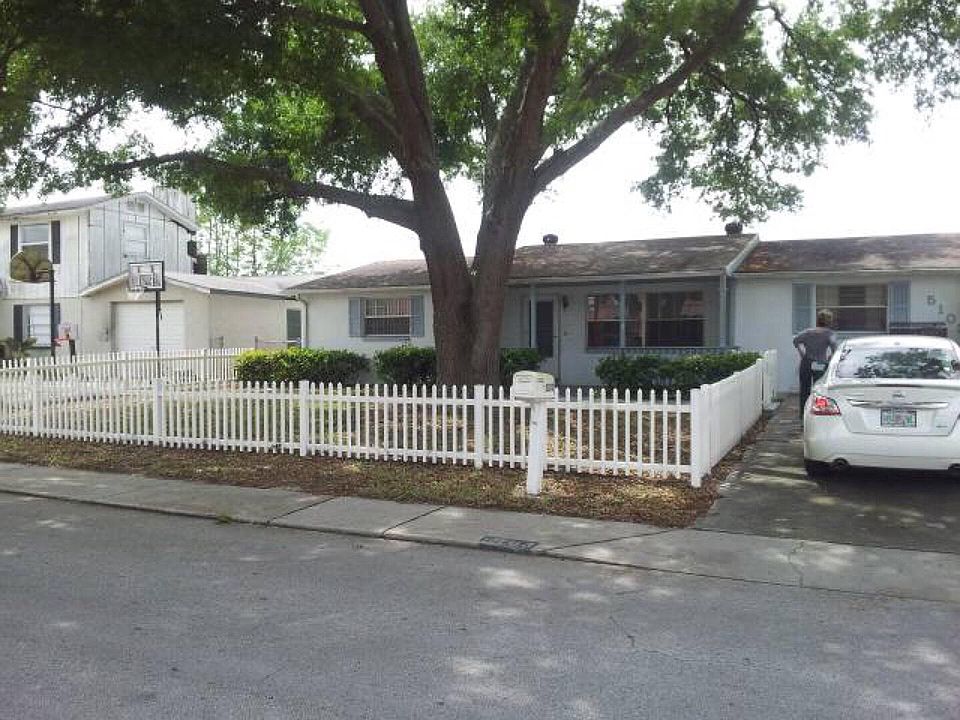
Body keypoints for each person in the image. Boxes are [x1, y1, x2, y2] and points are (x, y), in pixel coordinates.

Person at [794, 309, 838, 421]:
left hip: (806, 362)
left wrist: (801, 352)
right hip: (821, 363)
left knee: (804, 390)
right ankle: (818, 415)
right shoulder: (829, 333)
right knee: (819, 390)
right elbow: (834, 347)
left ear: (818, 320)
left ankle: (803, 416)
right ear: (829, 321)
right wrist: (829, 358)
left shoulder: (808, 332)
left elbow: (796, 340)